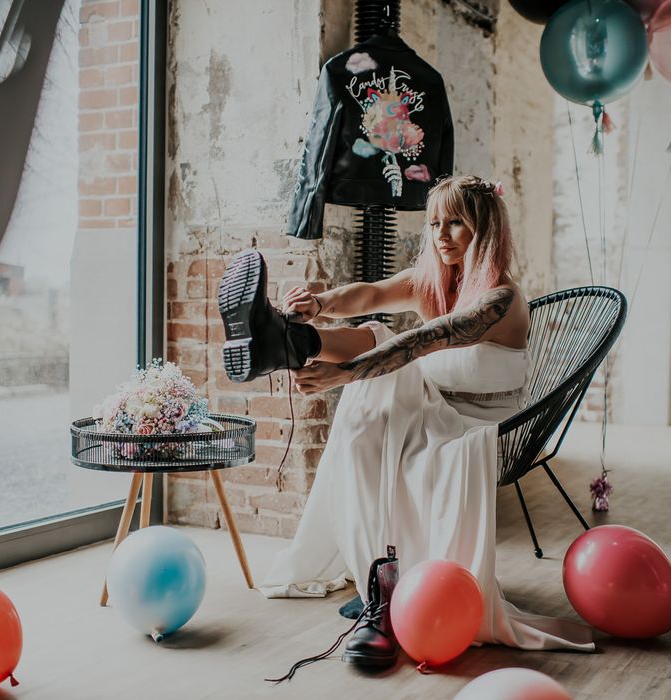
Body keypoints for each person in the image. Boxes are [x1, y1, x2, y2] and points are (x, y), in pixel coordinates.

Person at [218, 175, 594, 671]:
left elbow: (420, 343)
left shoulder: (501, 299)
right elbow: (369, 295)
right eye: (435, 222)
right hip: (432, 409)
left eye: (457, 223)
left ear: (486, 231)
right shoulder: (433, 280)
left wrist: (344, 376)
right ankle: (288, 336)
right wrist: (321, 304)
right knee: (373, 353)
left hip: (482, 429)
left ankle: (288, 342)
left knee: (379, 356)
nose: (441, 234)